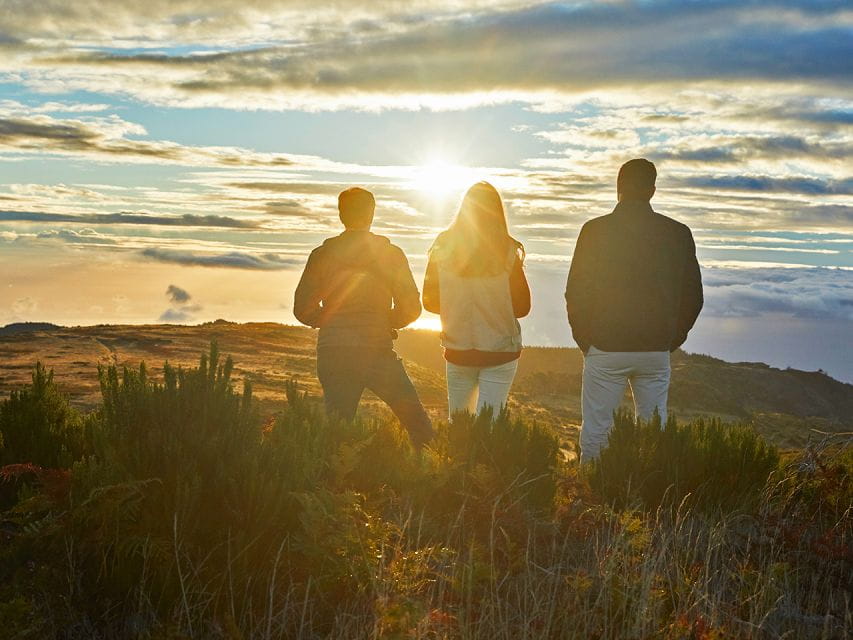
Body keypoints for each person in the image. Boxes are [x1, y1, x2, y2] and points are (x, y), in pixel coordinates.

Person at [565, 159, 703, 463]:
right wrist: (671, 339)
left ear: (618, 189)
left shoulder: (594, 230)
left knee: (598, 430)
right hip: (655, 348)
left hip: (605, 347)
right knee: (655, 429)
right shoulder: (678, 233)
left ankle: (591, 496)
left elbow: (575, 291)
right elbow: (693, 296)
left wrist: (586, 341)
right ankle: (653, 495)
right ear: (652, 191)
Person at [293, 187, 434, 448]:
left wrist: (333, 319)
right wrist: (385, 321)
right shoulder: (390, 254)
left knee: (337, 433)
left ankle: (333, 486)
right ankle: (434, 480)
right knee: (418, 425)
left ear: (341, 215)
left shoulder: (322, 254)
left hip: (334, 351)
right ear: (372, 213)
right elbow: (411, 308)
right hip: (376, 349)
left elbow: (302, 308)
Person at [423, 181, 531, 417]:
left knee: (459, 423)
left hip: (458, 348)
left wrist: (455, 306)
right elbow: (523, 307)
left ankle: (459, 455)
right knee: (490, 425)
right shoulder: (508, 250)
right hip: (500, 350)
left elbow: (429, 301)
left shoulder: (443, 247)